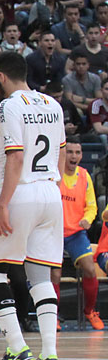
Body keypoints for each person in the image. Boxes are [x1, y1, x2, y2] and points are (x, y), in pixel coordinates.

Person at [0, 45, 64, 360]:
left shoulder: (8, 106)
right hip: (51, 192)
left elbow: (15, 158)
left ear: (1, 76)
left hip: (21, 191)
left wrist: (2, 203)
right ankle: (50, 356)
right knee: (40, 276)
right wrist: (51, 192)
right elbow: (60, 152)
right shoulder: (53, 104)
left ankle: (16, 346)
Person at [60, 136, 106, 328]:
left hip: (76, 232)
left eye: (77, 152)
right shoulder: (54, 174)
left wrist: (88, 219)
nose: (74, 156)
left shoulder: (85, 175)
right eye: (70, 152)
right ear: (63, 153)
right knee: (54, 274)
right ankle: (53, 316)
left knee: (89, 268)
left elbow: (92, 206)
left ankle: (89, 311)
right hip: (54, 231)